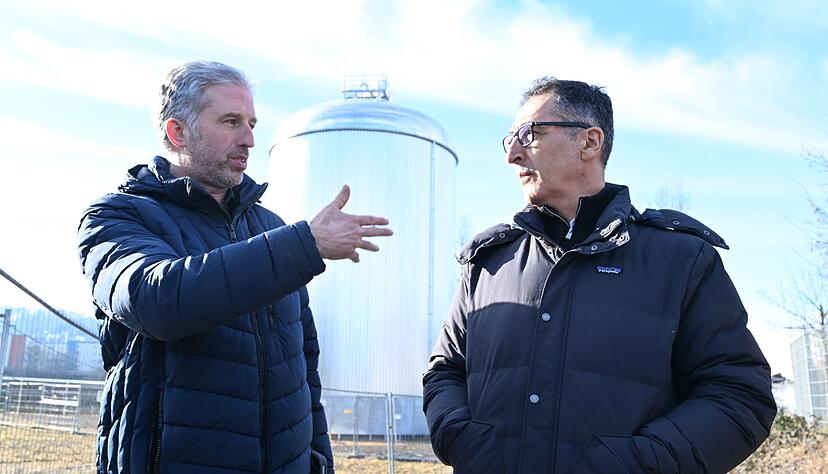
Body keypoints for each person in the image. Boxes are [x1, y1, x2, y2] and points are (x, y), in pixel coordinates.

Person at [422, 77, 775, 473]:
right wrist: (465, 442)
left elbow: (739, 396)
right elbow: (445, 371)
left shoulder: (681, 259)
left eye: (529, 133)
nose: (514, 155)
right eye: (510, 140)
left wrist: (633, 465)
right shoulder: (489, 263)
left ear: (589, 142)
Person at [77, 60, 392, 474]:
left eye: (252, 123)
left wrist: (317, 460)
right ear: (178, 132)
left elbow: (303, 370)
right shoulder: (117, 218)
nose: (249, 139)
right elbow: (156, 301)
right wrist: (305, 244)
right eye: (231, 121)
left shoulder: (271, 228)